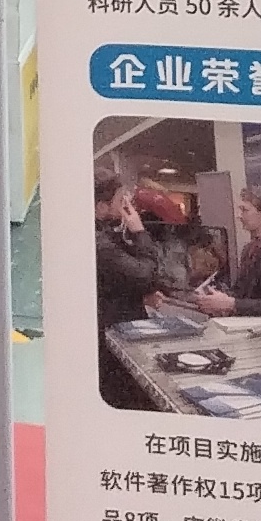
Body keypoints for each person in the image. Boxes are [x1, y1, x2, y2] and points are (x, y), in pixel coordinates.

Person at [91, 169, 166, 409]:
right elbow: (146, 275)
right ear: (101, 206)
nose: (125, 203)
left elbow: (120, 278)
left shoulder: (102, 234)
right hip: (111, 337)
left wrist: (137, 293)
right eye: (119, 198)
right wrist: (139, 231)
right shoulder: (99, 243)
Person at [190, 186, 261, 320]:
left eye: (245, 210)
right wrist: (217, 299)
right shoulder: (249, 249)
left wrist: (231, 304)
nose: (239, 216)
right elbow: (242, 292)